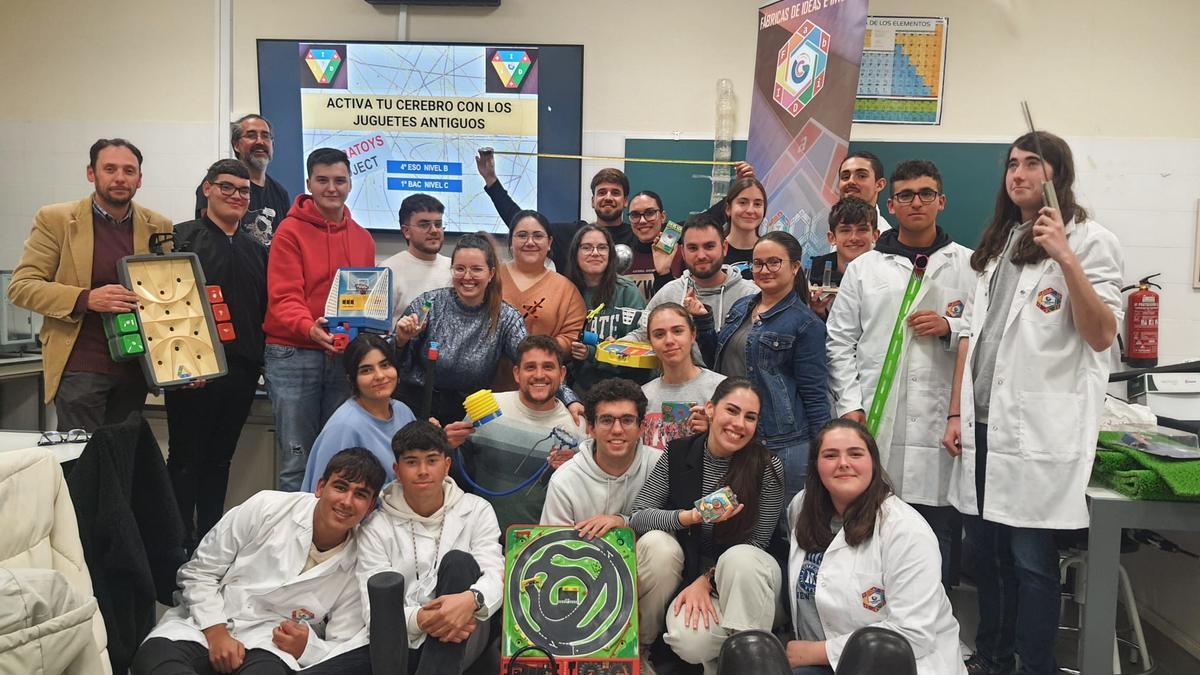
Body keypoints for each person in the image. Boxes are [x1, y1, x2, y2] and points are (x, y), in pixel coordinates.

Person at [942, 132, 1123, 675]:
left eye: (1032, 164)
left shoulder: (1090, 240)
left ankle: (1035, 665)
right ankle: (993, 658)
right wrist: (956, 410)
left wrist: (1066, 257)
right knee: (988, 558)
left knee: (1031, 561)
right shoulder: (999, 242)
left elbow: (1101, 334)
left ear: (1056, 175)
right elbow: (972, 335)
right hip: (982, 425)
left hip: (1036, 430)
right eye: (1012, 165)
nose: (1018, 174)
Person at [826, 160, 975, 588]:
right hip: (876, 414)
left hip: (938, 423)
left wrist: (950, 327)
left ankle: (934, 629)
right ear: (890, 203)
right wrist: (851, 406)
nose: (916, 202)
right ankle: (869, 625)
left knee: (937, 530)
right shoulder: (864, 268)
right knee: (871, 522)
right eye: (906, 195)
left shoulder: (968, 266)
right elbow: (839, 342)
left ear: (941, 202)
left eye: (926, 194)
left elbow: (982, 335)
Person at [131, 448, 387, 675]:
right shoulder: (266, 507)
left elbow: (342, 646)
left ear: (371, 506)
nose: (346, 501)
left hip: (269, 646)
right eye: (340, 487)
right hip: (208, 622)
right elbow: (198, 572)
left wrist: (306, 647)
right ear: (320, 487)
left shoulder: (363, 559)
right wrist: (216, 632)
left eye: (360, 494)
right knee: (154, 659)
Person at [9, 138, 171, 432]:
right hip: (80, 365)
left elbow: (166, 297)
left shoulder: (158, 225)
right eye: (110, 169)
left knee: (122, 460)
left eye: (129, 171)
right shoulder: (56, 219)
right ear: (91, 173)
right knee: (81, 465)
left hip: (135, 366)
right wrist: (86, 298)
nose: (120, 178)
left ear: (140, 179)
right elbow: (22, 286)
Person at [630, 377, 786, 675]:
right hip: (699, 584)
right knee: (688, 641)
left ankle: (752, 659)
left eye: (750, 417)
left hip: (751, 579)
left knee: (739, 558)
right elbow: (639, 515)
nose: (739, 424)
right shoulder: (678, 453)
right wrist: (690, 517)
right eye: (732, 410)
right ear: (711, 409)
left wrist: (708, 579)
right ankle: (734, 657)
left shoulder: (766, 466)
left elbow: (759, 544)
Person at [785, 420, 965, 675]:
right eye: (830, 455)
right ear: (816, 465)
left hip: (895, 665)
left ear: (873, 462)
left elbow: (913, 635)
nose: (843, 463)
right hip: (822, 665)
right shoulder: (801, 508)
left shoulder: (906, 531)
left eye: (855, 454)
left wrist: (819, 651)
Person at [167, 159, 269, 548]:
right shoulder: (180, 240)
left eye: (244, 191)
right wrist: (177, 368)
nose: (236, 197)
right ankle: (176, 545)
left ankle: (208, 541)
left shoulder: (257, 250)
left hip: (241, 372)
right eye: (227, 187)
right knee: (184, 461)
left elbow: (261, 309)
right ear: (207, 188)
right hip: (190, 373)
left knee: (220, 460)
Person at [263, 147, 376, 491]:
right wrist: (309, 327)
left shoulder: (362, 239)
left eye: (340, 180)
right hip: (294, 353)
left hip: (341, 356)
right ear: (309, 183)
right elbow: (284, 297)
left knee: (338, 458)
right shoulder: (288, 232)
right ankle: (291, 541)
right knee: (297, 459)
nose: (332, 188)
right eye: (323, 180)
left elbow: (363, 301)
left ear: (350, 183)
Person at [356, 420, 504, 675]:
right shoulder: (375, 526)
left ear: (447, 465)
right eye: (412, 462)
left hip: (468, 629)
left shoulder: (477, 509)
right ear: (397, 470)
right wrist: (424, 619)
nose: (423, 470)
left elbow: (495, 575)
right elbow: (374, 611)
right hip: (403, 638)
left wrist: (471, 599)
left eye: (432, 460)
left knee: (459, 562)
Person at [393, 233, 582, 429]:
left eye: (476, 269)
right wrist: (400, 340)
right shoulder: (428, 305)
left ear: (491, 273)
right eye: (460, 269)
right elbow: (390, 361)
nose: (467, 277)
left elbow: (532, 361)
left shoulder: (506, 317)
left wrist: (569, 398)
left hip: (469, 414)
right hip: (417, 407)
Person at [540, 377, 664, 671]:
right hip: (581, 575)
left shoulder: (660, 465)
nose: (617, 430)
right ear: (590, 427)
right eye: (606, 420)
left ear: (641, 427)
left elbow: (676, 526)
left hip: (641, 574)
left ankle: (638, 646)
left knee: (663, 547)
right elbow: (550, 551)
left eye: (627, 420)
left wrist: (623, 524)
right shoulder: (565, 479)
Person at [696, 231, 830, 499]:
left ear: (795, 267)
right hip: (735, 433)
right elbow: (718, 363)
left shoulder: (806, 324)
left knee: (780, 527)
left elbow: (814, 393)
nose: (764, 270)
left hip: (781, 443)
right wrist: (703, 321)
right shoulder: (742, 306)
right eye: (758, 264)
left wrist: (823, 449)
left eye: (774, 262)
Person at [464, 335, 587, 531]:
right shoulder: (485, 409)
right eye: (530, 367)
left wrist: (569, 471)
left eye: (548, 367)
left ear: (562, 374)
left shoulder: (579, 428)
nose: (539, 375)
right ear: (516, 373)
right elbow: (456, 471)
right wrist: (445, 443)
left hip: (541, 544)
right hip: (481, 537)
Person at [625, 212, 758, 360]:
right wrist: (617, 345)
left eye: (709, 246)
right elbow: (642, 334)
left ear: (724, 248)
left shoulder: (751, 295)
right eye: (693, 248)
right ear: (682, 252)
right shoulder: (669, 293)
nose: (701, 255)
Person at [476, 152, 633, 272]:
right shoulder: (573, 234)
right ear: (593, 201)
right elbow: (520, 221)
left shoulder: (637, 237)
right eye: (602, 192)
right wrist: (491, 181)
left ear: (625, 201)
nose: (608, 197)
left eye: (615, 193)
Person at [301, 335, 416, 491]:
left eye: (385, 365)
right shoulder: (344, 427)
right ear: (351, 379)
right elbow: (324, 496)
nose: (380, 376)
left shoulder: (403, 411)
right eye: (366, 370)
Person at [494, 209, 586, 391]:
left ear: (549, 242)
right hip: (490, 388)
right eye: (522, 235)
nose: (530, 242)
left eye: (538, 236)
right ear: (511, 241)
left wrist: (534, 350)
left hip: (543, 386)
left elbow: (573, 337)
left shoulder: (565, 289)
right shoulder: (490, 278)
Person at [563, 224, 649, 393]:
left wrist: (595, 353)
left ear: (610, 254)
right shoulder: (565, 290)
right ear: (576, 253)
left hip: (628, 386)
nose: (595, 253)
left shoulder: (627, 290)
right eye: (587, 247)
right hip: (581, 388)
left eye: (602, 247)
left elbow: (642, 344)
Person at [194, 114, 290, 247]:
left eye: (265, 136)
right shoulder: (218, 183)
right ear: (236, 145)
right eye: (251, 135)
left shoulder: (280, 193)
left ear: (272, 145)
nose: (260, 141)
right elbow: (210, 236)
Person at [640, 304, 724, 451]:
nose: (669, 340)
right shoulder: (642, 395)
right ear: (650, 343)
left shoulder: (722, 388)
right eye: (659, 334)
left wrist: (713, 433)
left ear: (692, 335)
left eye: (677, 331)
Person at [807, 196, 879, 320]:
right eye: (845, 230)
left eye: (862, 230)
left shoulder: (888, 274)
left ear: (875, 235)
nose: (854, 238)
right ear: (832, 238)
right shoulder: (811, 276)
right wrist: (819, 313)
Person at [381, 193, 452, 317]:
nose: (434, 230)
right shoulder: (388, 271)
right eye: (424, 225)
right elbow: (377, 330)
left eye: (438, 224)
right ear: (406, 231)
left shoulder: (455, 268)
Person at [836, 151, 892, 232]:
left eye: (861, 176)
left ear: (879, 185)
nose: (850, 181)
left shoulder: (887, 239)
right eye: (845, 177)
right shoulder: (821, 229)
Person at [722, 177, 767, 278]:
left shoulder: (772, 253)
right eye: (743, 202)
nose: (750, 210)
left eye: (757, 204)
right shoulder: (713, 251)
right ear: (729, 209)